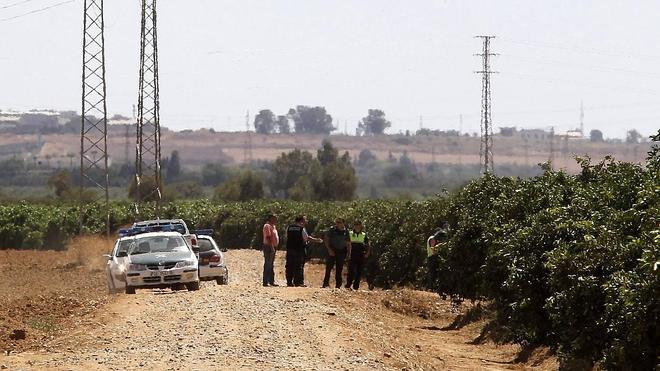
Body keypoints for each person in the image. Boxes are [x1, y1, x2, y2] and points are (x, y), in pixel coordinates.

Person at [285, 215, 323, 287]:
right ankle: (298, 282)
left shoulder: (289, 227)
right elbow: (306, 238)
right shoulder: (301, 228)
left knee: (289, 266)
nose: (306, 221)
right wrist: (317, 240)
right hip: (299, 249)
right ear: (301, 220)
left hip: (290, 249)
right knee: (298, 266)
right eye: (305, 219)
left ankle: (289, 282)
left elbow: (287, 237)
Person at [323, 218, 351, 288]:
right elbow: (326, 239)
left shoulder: (346, 231)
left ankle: (338, 285)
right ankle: (325, 283)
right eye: (337, 222)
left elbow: (348, 243)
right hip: (332, 250)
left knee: (339, 268)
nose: (338, 224)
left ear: (343, 223)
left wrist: (349, 253)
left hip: (341, 251)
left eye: (339, 222)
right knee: (329, 267)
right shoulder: (332, 230)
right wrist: (329, 249)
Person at [345, 220, 371, 290]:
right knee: (351, 270)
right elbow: (347, 243)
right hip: (352, 253)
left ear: (361, 226)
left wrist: (367, 253)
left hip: (360, 253)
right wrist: (348, 253)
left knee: (359, 271)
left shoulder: (364, 234)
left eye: (358, 224)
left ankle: (356, 286)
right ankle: (348, 284)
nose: (357, 226)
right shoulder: (350, 233)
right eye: (355, 224)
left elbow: (368, 244)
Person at [262, 214, 279, 287]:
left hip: (273, 246)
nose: (276, 220)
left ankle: (271, 281)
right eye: (274, 218)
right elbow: (268, 237)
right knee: (268, 264)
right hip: (269, 246)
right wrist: (272, 247)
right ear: (270, 218)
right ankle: (265, 281)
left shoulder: (273, 226)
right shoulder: (267, 226)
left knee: (271, 264)